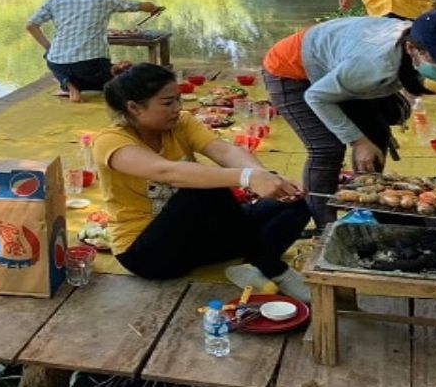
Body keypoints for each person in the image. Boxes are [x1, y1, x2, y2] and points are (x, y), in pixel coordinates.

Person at [92, 63, 313, 300]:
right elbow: (167, 172)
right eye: (167, 103)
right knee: (202, 189)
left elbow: (224, 152)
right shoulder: (110, 142)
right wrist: (247, 177)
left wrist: (266, 176)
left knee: (295, 201)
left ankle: (257, 264)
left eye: (178, 99)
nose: (177, 108)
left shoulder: (182, 122)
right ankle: (271, 267)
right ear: (134, 107)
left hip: (197, 239)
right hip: (147, 253)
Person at [263, 8, 436, 225]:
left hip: (343, 66)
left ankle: (364, 209)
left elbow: (407, 80)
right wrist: (357, 141)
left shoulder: (412, 45)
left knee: (377, 135)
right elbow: (317, 97)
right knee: (327, 148)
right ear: (411, 48)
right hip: (291, 69)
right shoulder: (373, 64)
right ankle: (325, 227)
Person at [25, 0, 163, 102]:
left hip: (57, 65)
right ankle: (86, 83)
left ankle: (68, 85)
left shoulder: (54, 0)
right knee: (122, 81)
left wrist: (50, 48)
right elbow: (139, 5)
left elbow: (31, 25)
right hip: (90, 66)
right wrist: (154, 7)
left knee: (51, 56)